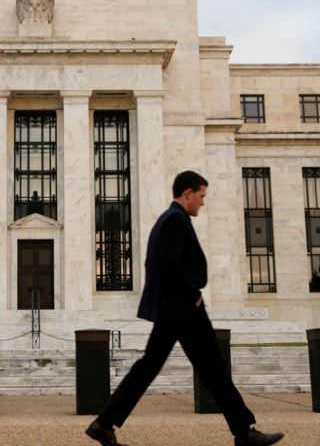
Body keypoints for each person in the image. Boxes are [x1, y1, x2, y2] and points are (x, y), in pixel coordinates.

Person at [85, 171, 284, 446]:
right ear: (187, 193)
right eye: (201, 196)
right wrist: (193, 295)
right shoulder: (175, 220)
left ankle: (103, 424)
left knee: (152, 367)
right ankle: (244, 432)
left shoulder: (170, 219)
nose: (203, 202)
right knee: (212, 368)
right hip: (183, 308)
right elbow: (168, 263)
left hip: (173, 308)